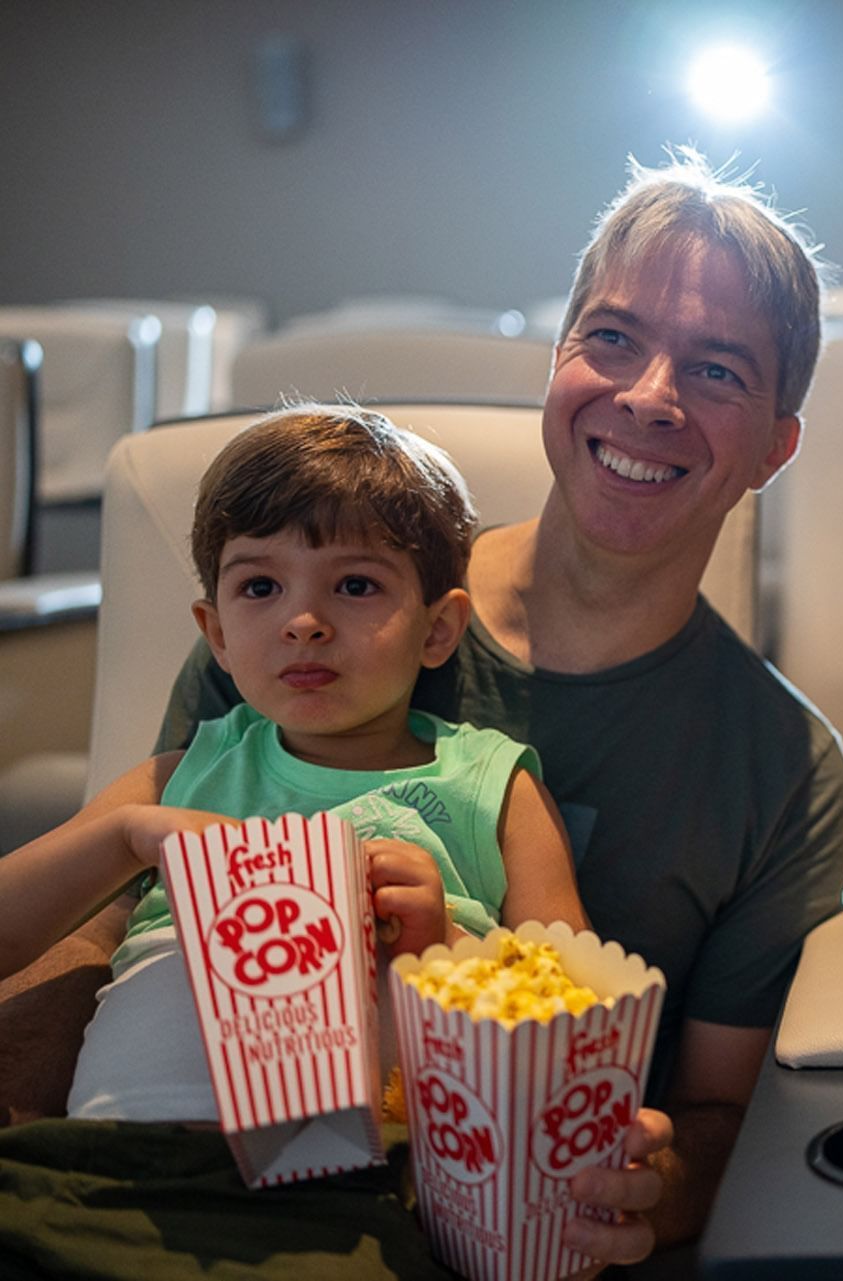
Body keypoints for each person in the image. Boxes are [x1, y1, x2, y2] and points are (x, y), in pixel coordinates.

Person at [10, 150, 843, 1271]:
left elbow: (714, 1110)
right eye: (612, 337)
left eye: (716, 369)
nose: (649, 395)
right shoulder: (309, 611)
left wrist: (654, 1180)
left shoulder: (785, 770)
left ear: (775, 447)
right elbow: (105, 922)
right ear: (558, 362)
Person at [0, 404, 588, 1275]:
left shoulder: (490, 785)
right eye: (259, 588)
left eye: (355, 586)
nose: (303, 620)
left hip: (352, 1193)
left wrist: (442, 950)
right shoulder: (179, 776)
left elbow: (574, 1021)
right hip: (109, 1168)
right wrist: (125, 836)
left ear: (438, 628)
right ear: (216, 634)